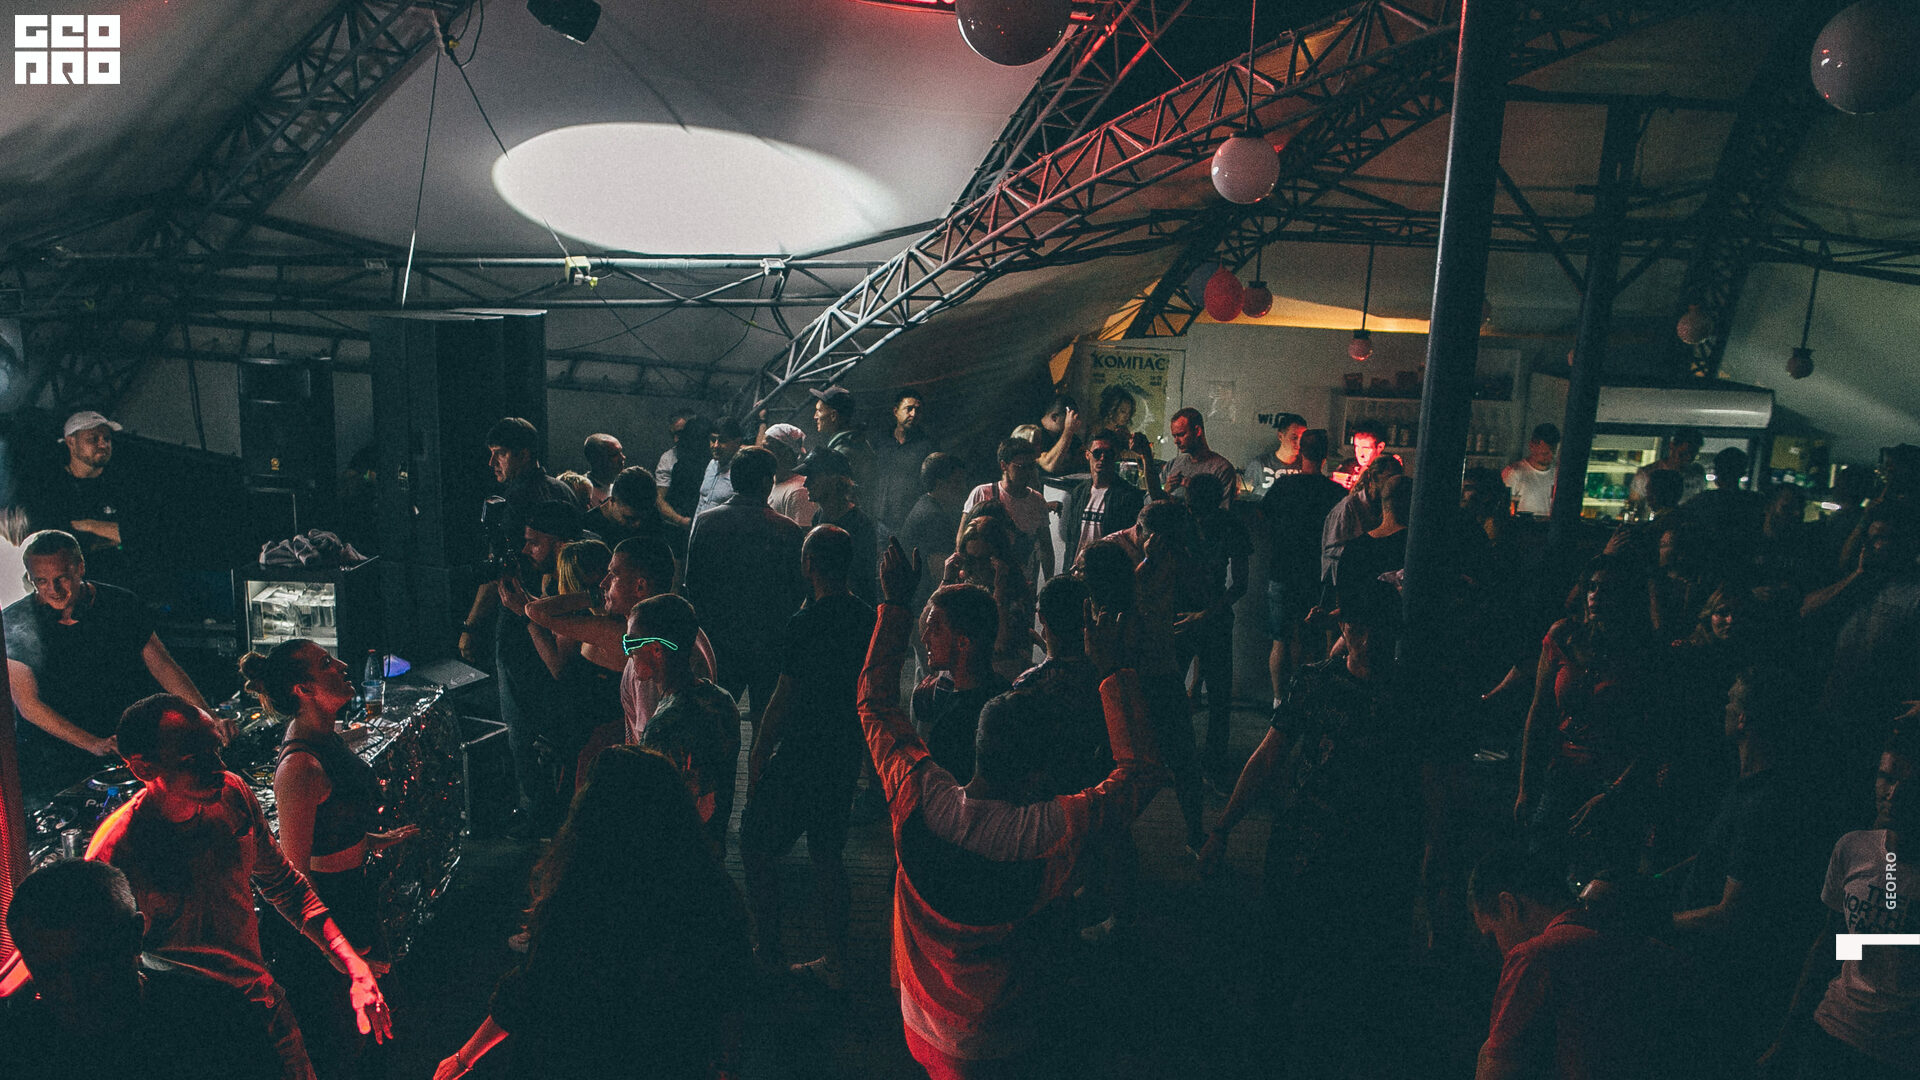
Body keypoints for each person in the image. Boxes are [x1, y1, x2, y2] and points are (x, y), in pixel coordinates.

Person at [862, 538, 1166, 1076]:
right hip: (1008, 1035)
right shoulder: (1053, 829)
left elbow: (875, 703)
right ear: (1036, 774)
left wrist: (895, 605)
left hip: (924, 1026)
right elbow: (1139, 774)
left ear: (978, 746)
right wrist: (1113, 671)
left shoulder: (917, 793)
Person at [87, 694, 393, 1080]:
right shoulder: (115, 853)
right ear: (142, 767)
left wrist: (350, 961)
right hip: (190, 1037)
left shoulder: (231, 793)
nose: (217, 767)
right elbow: (103, 974)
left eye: (215, 750)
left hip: (262, 1005)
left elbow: (285, 884)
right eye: (193, 760)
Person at [432, 747, 752, 1080]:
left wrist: (464, 1057)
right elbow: (732, 986)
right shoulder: (708, 888)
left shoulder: (586, 895)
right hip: (671, 1061)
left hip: (583, 1058)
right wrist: (725, 1064)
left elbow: (534, 986)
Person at [239, 640, 420, 1077]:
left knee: (381, 1027)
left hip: (352, 895)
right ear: (303, 690)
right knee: (350, 1042)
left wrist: (370, 840)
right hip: (332, 908)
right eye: (325, 664)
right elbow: (295, 874)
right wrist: (340, 953)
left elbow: (331, 821)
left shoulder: (325, 735)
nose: (340, 664)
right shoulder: (299, 767)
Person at [741, 524, 876, 988]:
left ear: (809, 564)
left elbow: (785, 693)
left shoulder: (804, 622)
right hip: (842, 750)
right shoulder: (867, 618)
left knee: (755, 843)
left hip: (801, 750)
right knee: (827, 854)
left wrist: (760, 748)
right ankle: (837, 960)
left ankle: (769, 949)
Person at [2, 859, 281, 1080]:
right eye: (49, 971)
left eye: (90, 962)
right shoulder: (217, 1015)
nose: (71, 989)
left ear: (134, 936)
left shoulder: (220, 1022)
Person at [1467, 846, 1727, 1080]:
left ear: (1509, 905)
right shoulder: (1663, 954)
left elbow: (1497, 1073)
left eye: (1492, 936)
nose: (1499, 952)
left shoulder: (1536, 957)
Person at [5, 528, 209, 798]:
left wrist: (207, 718)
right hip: (52, 764)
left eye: (61, 578)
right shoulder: (14, 621)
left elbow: (163, 666)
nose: (53, 590)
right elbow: (28, 705)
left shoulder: (121, 604)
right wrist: (93, 743)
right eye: (40, 581)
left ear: (80, 567)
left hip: (122, 747)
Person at [1766, 727, 1917, 1076]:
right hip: (1833, 1026)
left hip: (1897, 1053)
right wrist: (1788, 1033)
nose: (1893, 794)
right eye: (1886, 778)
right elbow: (1831, 944)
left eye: (1909, 785)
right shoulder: (1854, 848)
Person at [685, 445, 807, 732]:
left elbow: (693, 582)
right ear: (766, 482)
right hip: (769, 642)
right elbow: (798, 589)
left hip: (718, 639)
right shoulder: (787, 530)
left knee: (713, 720)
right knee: (766, 720)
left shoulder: (706, 522)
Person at [483, 500, 579, 835]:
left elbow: (560, 667)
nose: (526, 550)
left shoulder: (572, 587)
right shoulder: (550, 577)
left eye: (534, 542)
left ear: (561, 545)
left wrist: (524, 611)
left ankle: (544, 821)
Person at [458, 417, 579, 664]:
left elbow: (501, 568)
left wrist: (470, 627)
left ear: (524, 455)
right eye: (491, 453)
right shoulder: (563, 489)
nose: (492, 462)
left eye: (500, 454)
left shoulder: (516, 499)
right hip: (562, 609)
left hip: (520, 618)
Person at [628, 594, 742, 852]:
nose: (629, 653)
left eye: (631, 643)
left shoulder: (663, 726)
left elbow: (654, 807)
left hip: (678, 856)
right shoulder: (723, 701)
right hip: (712, 847)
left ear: (656, 650)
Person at [1261, 428, 1346, 704]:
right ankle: (1307, 701)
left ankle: (1279, 701)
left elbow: (1264, 517)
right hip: (1316, 575)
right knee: (1312, 639)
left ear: (1300, 453)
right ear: (1325, 456)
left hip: (1282, 569)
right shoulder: (1336, 493)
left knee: (1281, 640)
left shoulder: (1283, 486)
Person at [1181, 472, 1251, 785]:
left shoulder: (1222, 524)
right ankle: (1206, 760)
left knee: (1215, 695)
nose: (1196, 515)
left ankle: (1201, 760)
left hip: (1197, 614)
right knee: (1211, 695)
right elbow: (1239, 583)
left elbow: (1241, 584)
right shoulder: (1226, 523)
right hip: (1200, 614)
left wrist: (1204, 614)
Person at [913, 576, 1013, 782]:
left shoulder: (958, 722)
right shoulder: (1003, 690)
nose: (925, 638)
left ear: (963, 643)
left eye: (935, 630)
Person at [27, 409, 140, 586]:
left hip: (123, 579)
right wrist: (111, 534)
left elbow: (138, 534)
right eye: (93, 439)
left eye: (107, 439)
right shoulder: (52, 487)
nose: (102, 444)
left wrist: (88, 525)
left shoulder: (123, 484)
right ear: (71, 442)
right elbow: (60, 545)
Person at [960, 435, 1056, 584]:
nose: (1028, 472)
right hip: (984, 581)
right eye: (1021, 467)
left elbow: (1046, 548)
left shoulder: (1037, 501)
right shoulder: (983, 493)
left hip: (1021, 583)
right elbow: (962, 538)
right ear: (1004, 465)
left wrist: (1049, 582)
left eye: (1031, 466)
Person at [800, 448, 881, 606]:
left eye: (812, 477)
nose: (806, 483)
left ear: (833, 479)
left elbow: (861, 581)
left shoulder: (860, 524)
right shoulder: (818, 517)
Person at [1061, 429, 1147, 571]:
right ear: (1087, 455)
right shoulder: (1079, 492)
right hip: (1077, 571)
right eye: (1097, 453)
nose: (1102, 458)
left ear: (1115, 456)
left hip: (1107, 574)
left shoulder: (1128, 496)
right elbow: (1071, 540)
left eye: (1108, 453)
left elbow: (1131, 545)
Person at [899, 451, 969, 606]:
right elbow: (940, 573)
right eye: (957, 482)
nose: (963, 488)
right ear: (940, 484)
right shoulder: (934, 518)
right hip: (924, 603)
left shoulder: (925, 505)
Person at [871, 389, 933, 533]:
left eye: (918, 410)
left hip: (911, 522)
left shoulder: (928, 446)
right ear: (895, 411)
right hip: (880, 520)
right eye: (909, 409)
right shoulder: (880, 442)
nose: (913, 414)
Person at [1161, 407, 1237, 505]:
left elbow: (1223, 510)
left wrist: (1196, 491)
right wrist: (1165, 491)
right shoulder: (1173, 465)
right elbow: (1149, 500)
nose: (1176, 441)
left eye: (1181, 434)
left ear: (1197, 431)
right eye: (1174, 436)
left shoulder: (1221, 469)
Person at [656, 413, 715, 538]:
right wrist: (681, 520)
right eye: (673, 435)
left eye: (681, 434)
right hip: (680, 526)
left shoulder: (715, 461)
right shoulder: (671, 461)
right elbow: (659, 499)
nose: (676, 440)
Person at [584, 464, 666, 550]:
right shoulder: (589, 527)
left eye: (643, 517)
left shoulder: (652, 515)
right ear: (612, 501)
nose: (638, 524)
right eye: (629, 518)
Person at [1629, 426, 1707, 514]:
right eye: (1683, 453)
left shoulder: (1697, 473)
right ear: (1672, 446)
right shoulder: (1645, 474)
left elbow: (1701, 504)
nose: (1688, 458)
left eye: (1693, 455)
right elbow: (1633, 504)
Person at [809, 386, 873, 486]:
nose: (815, 416)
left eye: (819, 411)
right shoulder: (855, 442)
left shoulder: (841, 453)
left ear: (833, 415)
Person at [762, 421, 818, 527]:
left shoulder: (799, 492)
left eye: (767, 449)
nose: (762, 453)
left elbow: (802, 533)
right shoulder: (773, 483)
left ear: (786, 453)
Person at [1501, 422, 1560, 517]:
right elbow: (1502, 509)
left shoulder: (1558, 474)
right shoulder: (1514, 473)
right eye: (1544, 453)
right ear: (1532, 446)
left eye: (1553, 453)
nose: (1550, 457)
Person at [695, 417, 748, 518]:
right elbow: (702, 503)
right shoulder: (711, 464)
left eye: (722, 441)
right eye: (713, 440)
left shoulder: (742, 471)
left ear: (737, 442)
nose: (715, 445)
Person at [1034, 392, 1088, 478]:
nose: (1073, 423)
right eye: (1068, 420)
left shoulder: (1070, 437)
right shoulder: (1033, 434)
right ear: (1055, 418)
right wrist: (1068, 430)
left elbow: (1083, 459)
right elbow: (1050, 466)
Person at [1251, 412, 1307, 489]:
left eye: (1302, 438)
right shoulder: (1260, 464)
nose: (1299, 443)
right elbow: (1245, 493)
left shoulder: (1306, 466)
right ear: (1280, 436)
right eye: (1294, 437)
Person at [1330, 421, 1385, 490]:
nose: (1360, 454)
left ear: (1380, 447)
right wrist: (1334, 482)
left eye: (1366, 448)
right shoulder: (1348, 466)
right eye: (1357, 447)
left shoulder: (1386, 472)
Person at [581, 432, 625, 506]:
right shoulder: (582, 490)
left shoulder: (622, 488)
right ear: (596, 460)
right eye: (614, 454)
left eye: (621, 452)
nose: (623, 458)